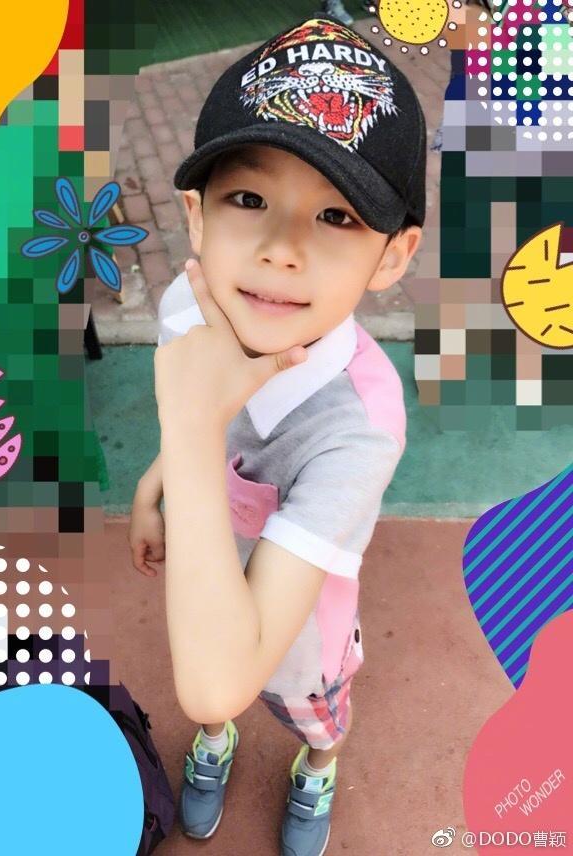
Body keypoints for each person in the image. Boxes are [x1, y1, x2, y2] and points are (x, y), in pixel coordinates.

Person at [129, 14, 426, 855]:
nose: (282, 250)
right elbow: (198, 430)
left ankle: (319, 766)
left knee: (313, 710)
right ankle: (216, 745)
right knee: (214, 706)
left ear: (392, 256)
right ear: (197, 216)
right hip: (208, 573)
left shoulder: (361, 425)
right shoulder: (189, 307)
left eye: (337, 216)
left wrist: (188, 428)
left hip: (301, 635)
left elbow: (214, 678)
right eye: (249, 199)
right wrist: (157, 479)